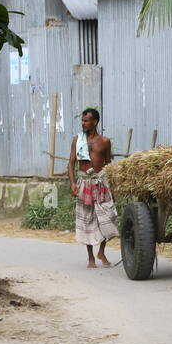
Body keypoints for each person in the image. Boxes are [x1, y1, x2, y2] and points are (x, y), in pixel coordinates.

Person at [69, 107, 119, 268]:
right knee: (87, 220)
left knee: (109, 216)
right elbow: (71, 164)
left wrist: (113, 185)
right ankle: (91, 258)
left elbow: (108, 164)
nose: (83, 123)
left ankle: (102, 251)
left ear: (95, 122)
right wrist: (72, 183)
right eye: (82, 121)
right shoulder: (77, 140)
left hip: (100, 182)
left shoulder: (104, 142)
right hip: (84, 182)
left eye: (86, 120)